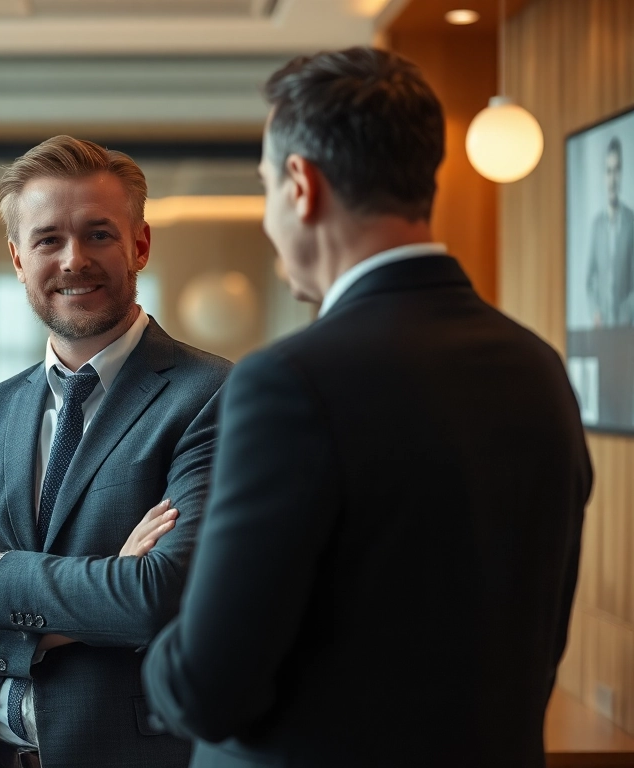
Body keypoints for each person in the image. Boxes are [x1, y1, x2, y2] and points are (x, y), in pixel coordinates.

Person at [143, 47, 592, 768]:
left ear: (301, 186)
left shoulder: (288, 382)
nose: (266, 220)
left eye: (264, 188)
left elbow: (206, 689)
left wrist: (156, 610)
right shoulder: (539, 369)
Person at [0, 135, 231, 768]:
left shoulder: (210, 396)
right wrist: (91, 602)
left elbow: (157, 597)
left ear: (140, 245)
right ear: (18, 258)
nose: (73, 260)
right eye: (48, 240)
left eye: (99, 234)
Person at [586, 136, 634, 327]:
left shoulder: (632, 222)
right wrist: (595, 311)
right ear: (604, 176)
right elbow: (589, 280)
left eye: (616, 171)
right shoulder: (597, 226)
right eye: (608, 171)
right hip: (603, 332)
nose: (612, 179)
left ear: (621, 173)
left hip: (627, 330)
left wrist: (627, 314)